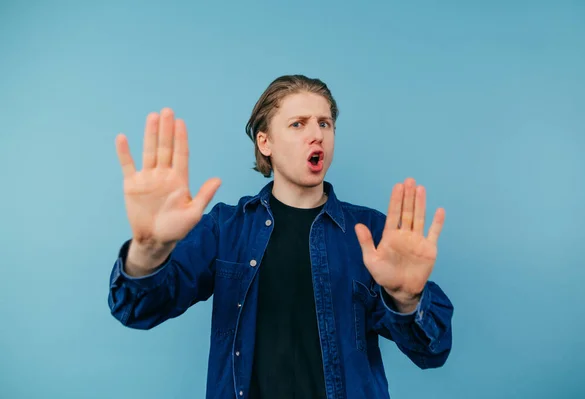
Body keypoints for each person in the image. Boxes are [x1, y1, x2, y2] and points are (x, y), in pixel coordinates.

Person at [109, 74, 454, 399]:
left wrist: (407, 299)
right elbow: (136, 310)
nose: (317, 134)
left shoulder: (370, 233)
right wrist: (148, 251)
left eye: (325, 123)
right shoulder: (225, 228)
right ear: (266, 142)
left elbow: (433, 350)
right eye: (298, 124)